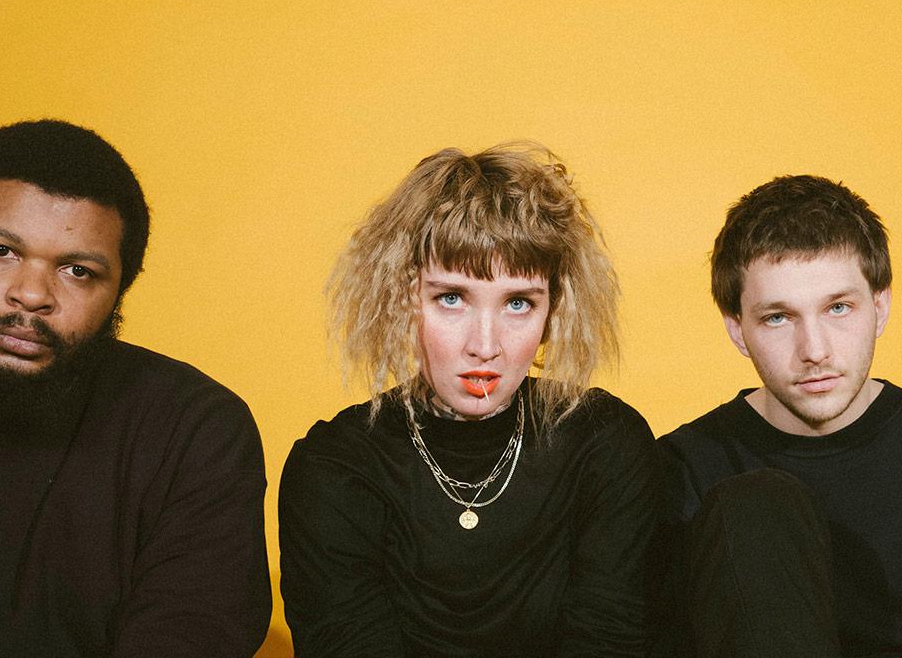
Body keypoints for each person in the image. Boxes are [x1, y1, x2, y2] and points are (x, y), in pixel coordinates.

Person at [0, 120, 271, 657]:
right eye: (1, 251)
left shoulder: (193, 430)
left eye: (77, 270)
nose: (31, 295)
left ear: (120, 287)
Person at [279, 143, 662, 656]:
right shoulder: (336, 467)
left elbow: (610, 638)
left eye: (518, 303)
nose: (485, 344)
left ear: (554, 310)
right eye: (451, 298)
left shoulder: (604, 444)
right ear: (400, 299)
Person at [659, 175, 902, 657]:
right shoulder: (682, 468)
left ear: (880, 307)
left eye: (838, 308)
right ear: (737, 330)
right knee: (752, 505)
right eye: (778, 318)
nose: (815, 351)